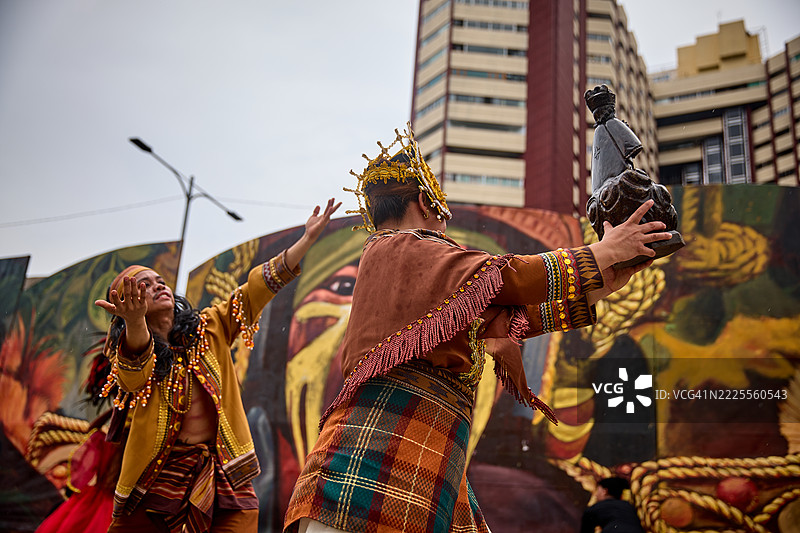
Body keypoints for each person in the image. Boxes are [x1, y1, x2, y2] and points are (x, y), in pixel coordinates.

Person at [283, 125, 671, 532]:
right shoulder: (400, 247)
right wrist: (601, 253)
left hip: (422, 451)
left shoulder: (410, 265)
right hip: (383, 449)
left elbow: (507, 320)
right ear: (423, 201)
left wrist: (599, 284)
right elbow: (506, 278)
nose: (445, 228)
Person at [95, 198, 340, 533]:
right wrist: (135, 324)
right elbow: (134, 376)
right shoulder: (128, 352)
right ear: (127, 305)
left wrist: (307, 239)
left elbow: (257, 288)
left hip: (223, 472)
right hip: (154, 479)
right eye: (144, 287)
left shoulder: (211, 325)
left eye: (158, 280)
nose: (158, 286)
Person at [580, 477, 644, 533]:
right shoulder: (629, 507)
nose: (596, 495)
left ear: (604, 491)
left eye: (597, 490)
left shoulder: (596, 508)